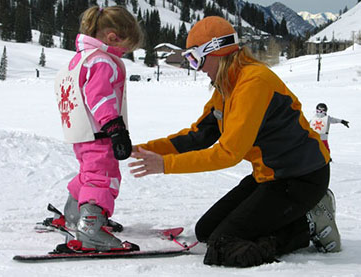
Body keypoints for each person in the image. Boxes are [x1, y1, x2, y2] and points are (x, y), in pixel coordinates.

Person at [128, 16, 341, 267]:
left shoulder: (253, 83)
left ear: (215, 52)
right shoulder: (226, 85)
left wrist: (165, 164)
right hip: (270, 176)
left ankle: (308, 224)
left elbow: (228, 153)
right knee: (206, 231)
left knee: (224, 246)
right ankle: (293, 218)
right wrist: (142, 150)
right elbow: (200, 135)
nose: (197, 68)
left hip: (300, 178)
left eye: (195, 59)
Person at [54, 5, 143, 251]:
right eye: (125, 48)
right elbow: (100, 97)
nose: (123, 53)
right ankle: (90, 228)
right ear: (113, 37)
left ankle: (74, 215)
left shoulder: (82, 58)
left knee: (89, 174)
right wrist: (115, 128)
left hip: (83, 134)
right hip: (100, 132)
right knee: (103, 177)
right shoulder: (104, 61)